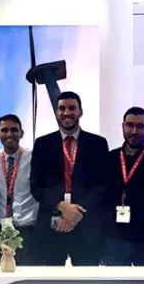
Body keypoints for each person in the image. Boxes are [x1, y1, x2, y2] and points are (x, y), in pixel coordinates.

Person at [30, 91, 109, 266]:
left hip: (87, 228)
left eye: (72, 108)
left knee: (86, 282)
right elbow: (36, 186)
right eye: (62, 108)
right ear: (56, 113)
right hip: (51, 227)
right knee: (49, 282)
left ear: (80, 111)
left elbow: (103, 186)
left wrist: (76, 212)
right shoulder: (42, 144)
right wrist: (62, 206)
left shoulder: (98, 144)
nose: (67, 113)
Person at [102, 107, 144, 269]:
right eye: (130, 125)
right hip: (113, 241)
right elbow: (101, 202)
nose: (134, 131)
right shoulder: (109, 159)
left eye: (140, 126)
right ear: (122, 126)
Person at [0, 114, 40, 266]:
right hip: (1, 230)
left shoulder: (34, 157)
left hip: (28, 231)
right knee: (2, 274)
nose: (9, 134)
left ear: (21, 133)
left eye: (14, 130)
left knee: (28, 277)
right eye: (4, 130)